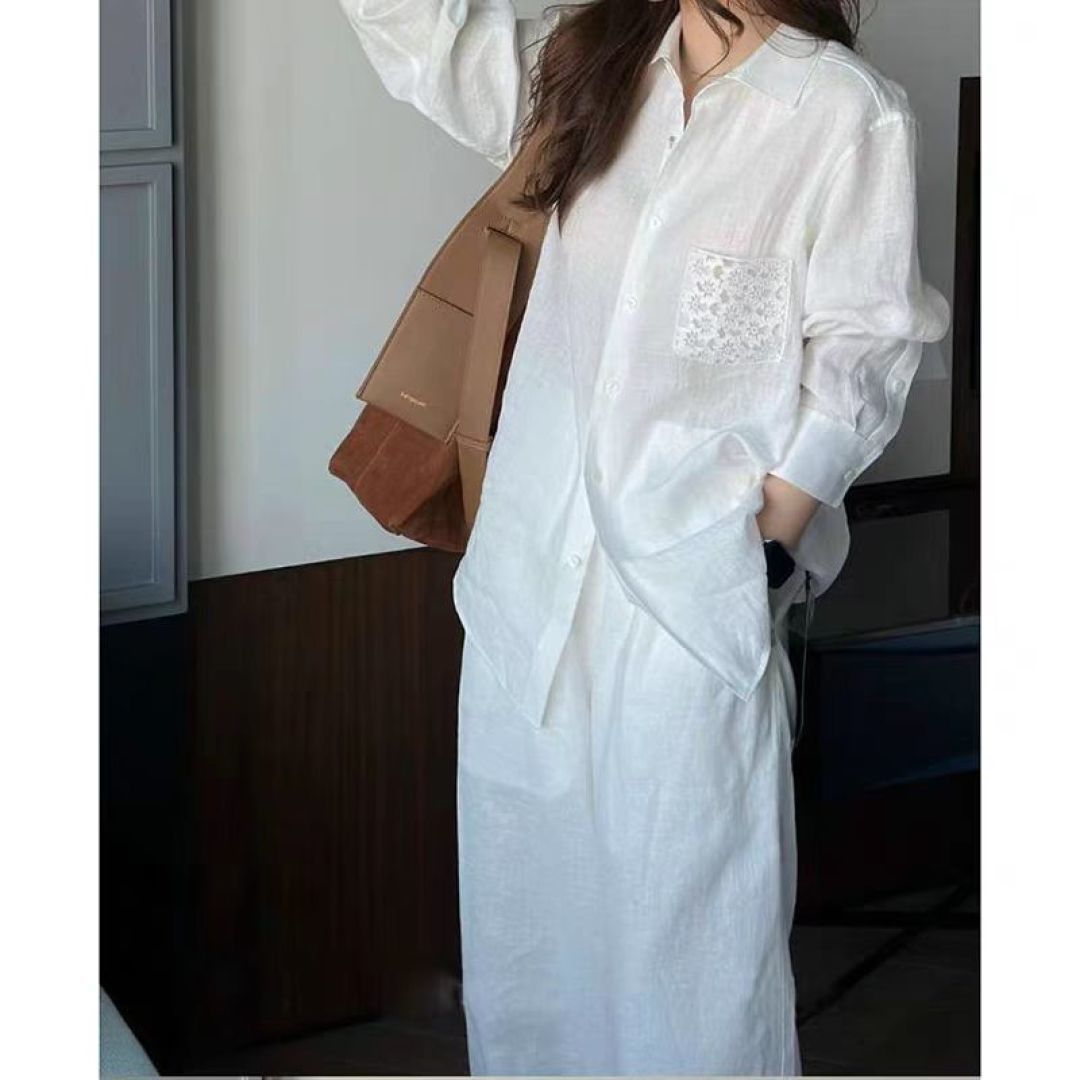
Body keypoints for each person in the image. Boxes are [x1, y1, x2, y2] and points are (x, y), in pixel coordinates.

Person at [338, 0, 950, 1074]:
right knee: (529, 940)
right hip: (530, 590)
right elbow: (420, 35)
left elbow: (866, 350)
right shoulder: (587, 59)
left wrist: (760, 543)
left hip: (686, 605)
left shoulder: (844, 112)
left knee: (693, 957)